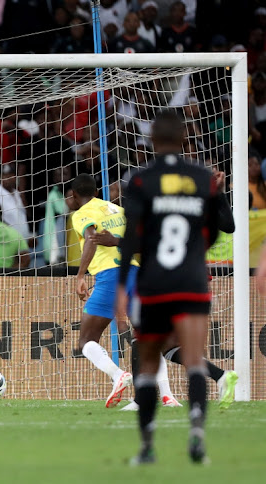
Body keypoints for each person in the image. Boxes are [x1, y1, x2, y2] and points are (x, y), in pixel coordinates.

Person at [115, 111, 225, 465]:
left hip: (154, 284)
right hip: (192, 282)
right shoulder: (203, 178)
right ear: (184, 139)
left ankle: (147, 448)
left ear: (151, 141)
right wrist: (195, 254)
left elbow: (130, 237)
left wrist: (121, 286)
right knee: (193, 361)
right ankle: (197, 438)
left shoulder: (140, 180)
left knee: (148, 363)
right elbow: (219, 228)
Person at [91, 167, 239, 411]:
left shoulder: (158, 210)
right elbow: (229, 226)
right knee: (169, 346)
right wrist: (219, 194)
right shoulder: (195, 206)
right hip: (194, 281)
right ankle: (221, 376)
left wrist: (115, 242)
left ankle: (141, 401)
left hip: (165, 280)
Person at [71, 173, 136, 408]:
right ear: (97, 192)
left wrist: (80, 275)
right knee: (143, 338)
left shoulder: (82, 213)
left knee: (86, 340)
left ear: (74, 195)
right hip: (137, 272)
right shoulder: (116, 209)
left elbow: (91, 238)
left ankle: (118, 375)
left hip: (111, 275)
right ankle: (163, 396)